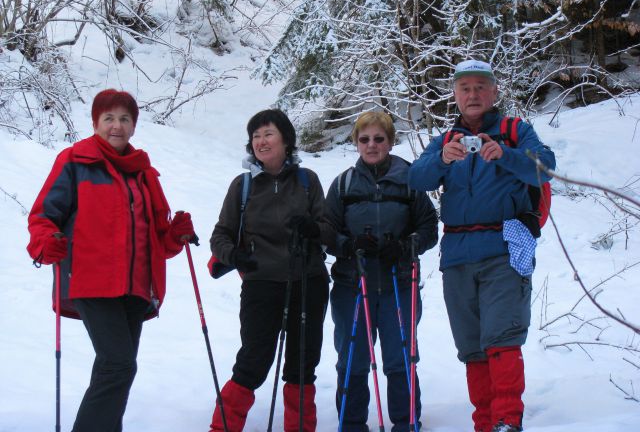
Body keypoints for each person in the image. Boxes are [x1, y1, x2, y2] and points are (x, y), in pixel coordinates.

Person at [26, 89, 195, 432]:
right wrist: (46, 242)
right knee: (118, 365)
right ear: (95, 122)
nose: (116, 126)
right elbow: (44, 215)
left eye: (124, 119)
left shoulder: (144, 173)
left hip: (134, 288)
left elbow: (156, 241)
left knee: (115, 366)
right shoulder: (75, 161)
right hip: (92, 281)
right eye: (109, 118)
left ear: (134, 126)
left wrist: (175, 234)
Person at [408, 60, 556, 432]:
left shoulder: (515, 130)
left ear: (493, 92)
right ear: (455, 95)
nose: (472, 95)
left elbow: (546, 167)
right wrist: (442, 158)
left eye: (480, 87)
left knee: (501, 337)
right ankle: (484, 423)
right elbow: (416, 177)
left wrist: (505, 155)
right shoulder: (445, 140)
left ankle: (507, 419)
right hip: (456, 252)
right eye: (464, 88)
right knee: (472, 346)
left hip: (503, 248)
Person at [208, 108, 333, 432]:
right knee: (252, 361)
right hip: (261, 283)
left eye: (268, 134)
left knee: (302, 366)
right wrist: (234, 257)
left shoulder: (308, 181)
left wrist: (313, 229)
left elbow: (329, 230)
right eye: (256, 136)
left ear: (286, 140)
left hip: (308, 282)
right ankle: (222, 428)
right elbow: (220, 234)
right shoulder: (244, 186)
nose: (261, 141)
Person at [325, 111, 438, 431]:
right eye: (364, 139)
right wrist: (349, 245)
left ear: (390, 141)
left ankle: (405, 422)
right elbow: (326, 230)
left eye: (379, 139)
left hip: (398, 282)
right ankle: (351, 424)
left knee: (400, 357)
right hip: (352, 283)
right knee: (352, 359)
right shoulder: (344, 184)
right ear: (356, 143)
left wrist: (404, 247)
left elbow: (429, 227)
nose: (371, 145)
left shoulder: (410, 180)